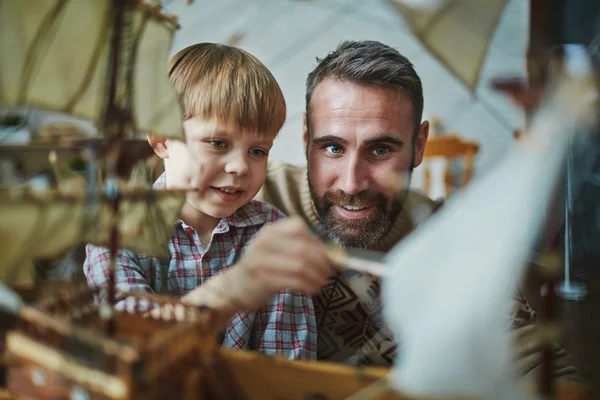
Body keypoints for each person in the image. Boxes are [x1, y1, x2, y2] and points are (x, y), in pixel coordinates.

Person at [256, 40, 582, 380]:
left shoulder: (452, 244)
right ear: (307, 140)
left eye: (380, 150)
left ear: (419, 145)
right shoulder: (245, 198)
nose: (352, 184)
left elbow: (546, 372)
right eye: (333, 148)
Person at [84, 43, 332, 360]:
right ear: (162, 140)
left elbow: (285, 371)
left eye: (258, 151)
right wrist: (235, 287)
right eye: (218, 143)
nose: (241, 167)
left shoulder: (274, 236)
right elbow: (131, 348)